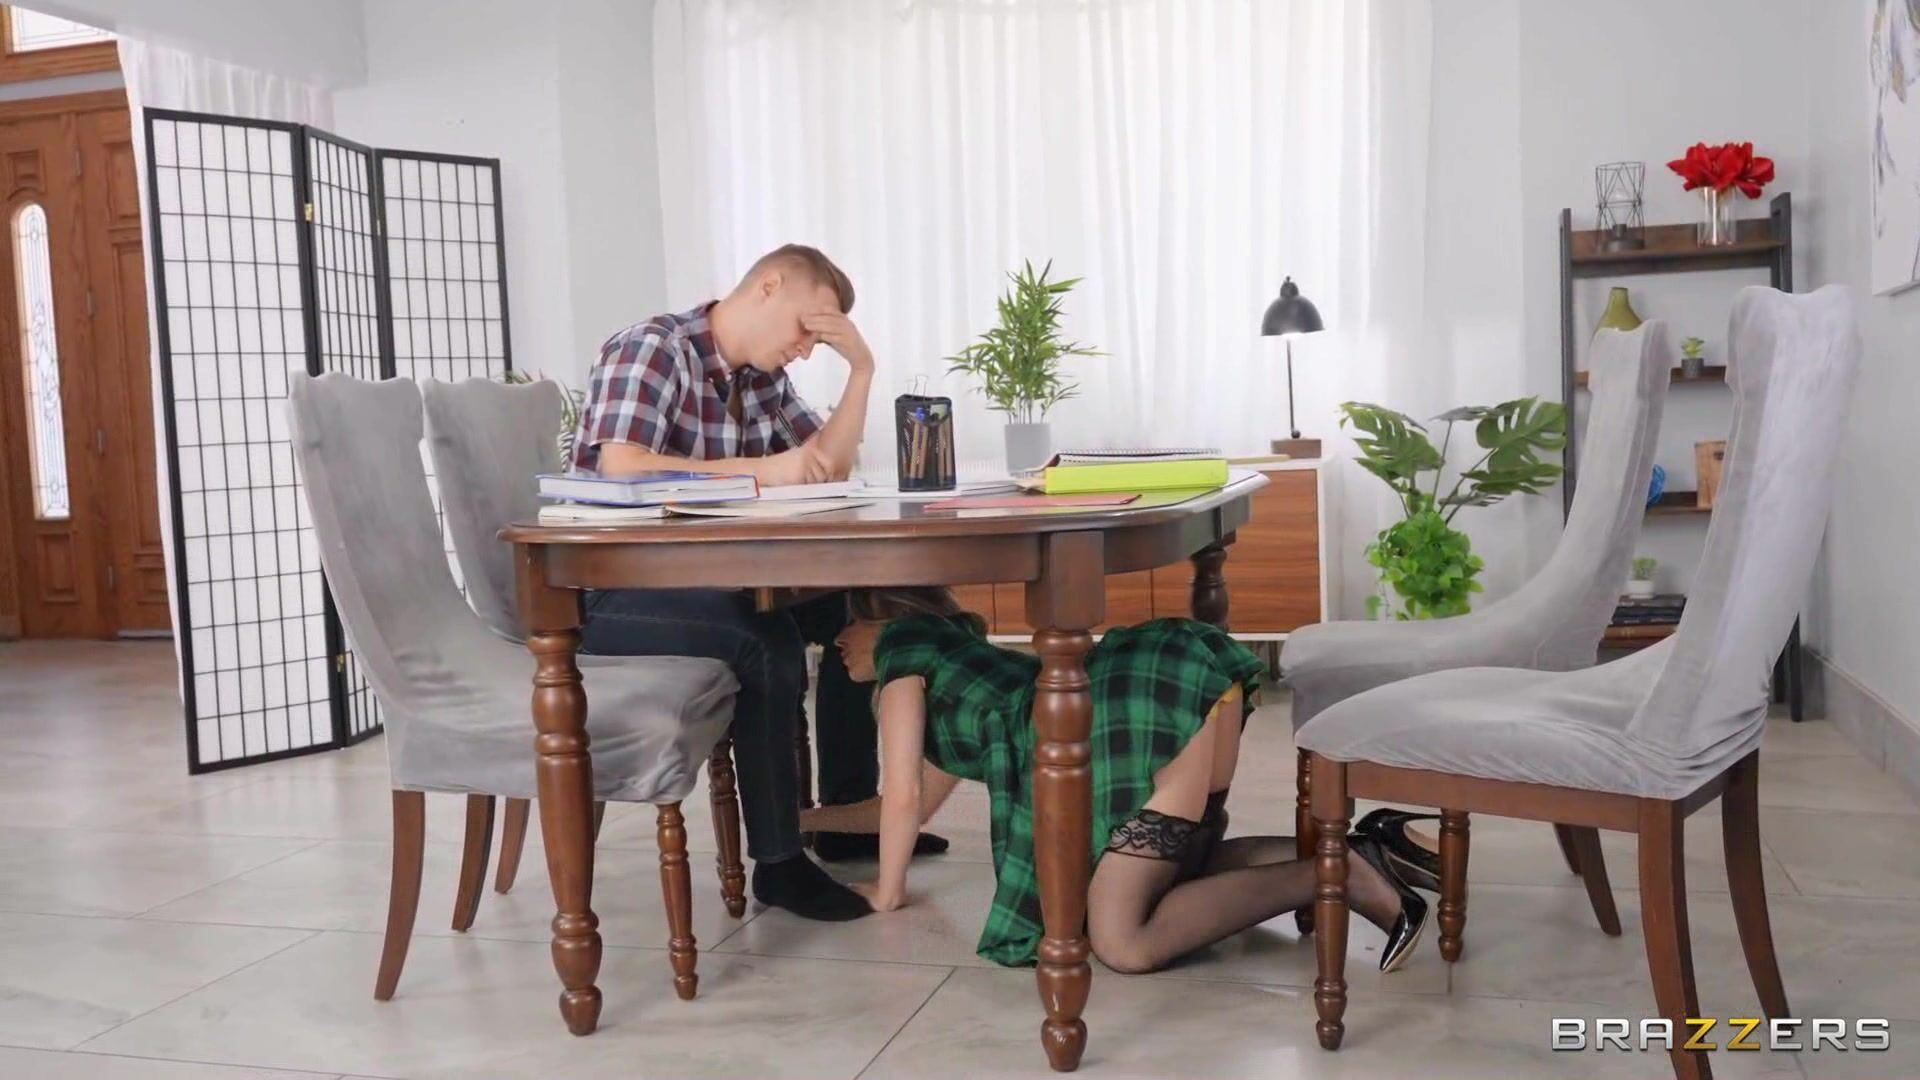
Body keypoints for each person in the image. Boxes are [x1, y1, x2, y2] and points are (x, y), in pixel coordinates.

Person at [571, 244, 939, 923]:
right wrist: (761, 472)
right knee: (764, 640)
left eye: (822, 339)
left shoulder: (760, 378)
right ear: (768, 286)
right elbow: (622, 468)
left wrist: (861, 369)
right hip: (617, 593)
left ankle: (845, 817)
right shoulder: (653, 349)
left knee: (881, 605)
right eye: (808, 327)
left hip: (715, 581)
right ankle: (779, 864)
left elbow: (826, 468)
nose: (806, 349)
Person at [803, 588, 1432, 974]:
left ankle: (1339, 873)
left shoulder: (902, 655)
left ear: (881, 615)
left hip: (1130, 715)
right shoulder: (957, 666)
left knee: (1123, 941)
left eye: (847, 623)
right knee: (1172, 873)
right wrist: (799, 820)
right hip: (1171, 688)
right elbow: (904, 810)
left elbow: (904, 796)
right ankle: (1365, 847)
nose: (836, 641)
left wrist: (888, 892)